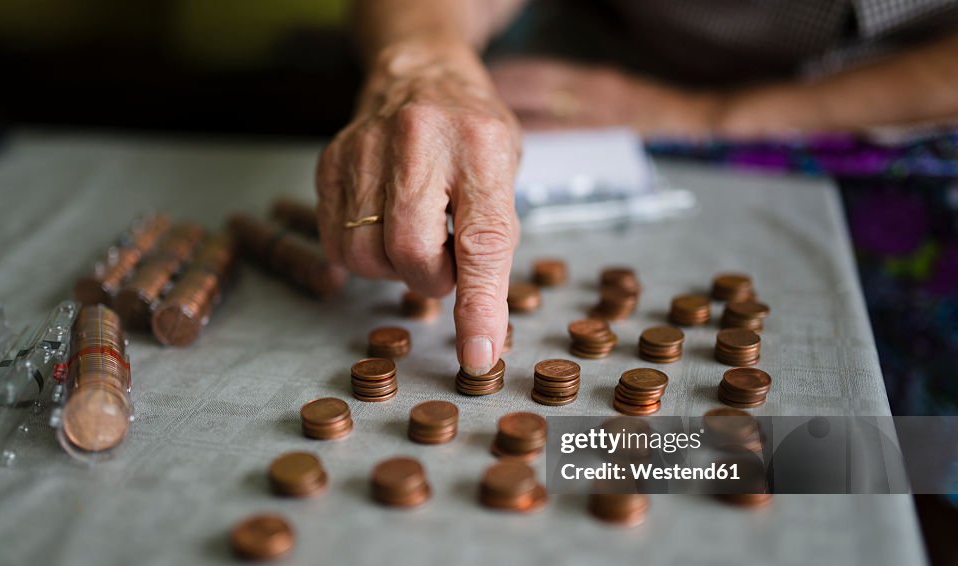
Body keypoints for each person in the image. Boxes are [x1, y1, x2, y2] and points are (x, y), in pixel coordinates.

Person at [316, 0, 958, 377]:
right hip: (585, 72)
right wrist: (426, 58)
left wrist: (709, 115)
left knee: (895, 460)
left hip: (910, 106)